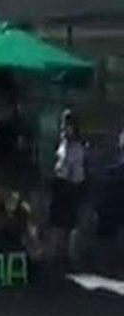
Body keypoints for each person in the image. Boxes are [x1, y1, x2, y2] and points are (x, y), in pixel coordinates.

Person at [50, 109, 86, 265]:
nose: (65, 128)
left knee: (69, 222)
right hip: (60, 182)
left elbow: (74, 168)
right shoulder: (63, 142)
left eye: (68, 125)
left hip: (71, 184)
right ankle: (58, 253)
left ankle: (68, 255)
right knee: (58, 222)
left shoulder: (77, 146)